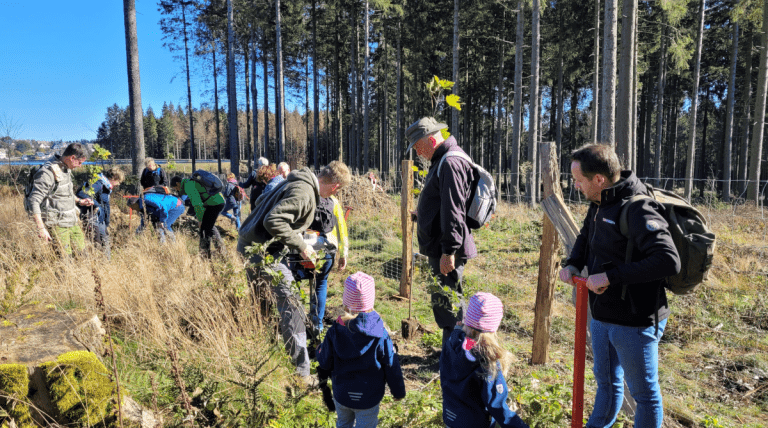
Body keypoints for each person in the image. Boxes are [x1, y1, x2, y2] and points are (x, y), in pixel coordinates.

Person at [558, 144, 680, 428]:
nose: (575, 186)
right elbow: (586, 237)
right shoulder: (599, 203)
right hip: (602, 314)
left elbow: (668, 260)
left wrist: (611, 277)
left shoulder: (638, 207)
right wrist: (572, 263)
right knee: (607, 383)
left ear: (598, 179)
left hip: (635, 320)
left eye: (578, 180)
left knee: (644, 395)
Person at [237, 161, 351, 385]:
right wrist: (302, 245)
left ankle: (263, 356)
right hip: (262, 252)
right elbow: (274, 220)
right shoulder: (305, 193)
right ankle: (301, 374)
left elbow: (262, 202)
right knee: (292, 307)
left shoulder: (296, 180)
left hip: (251, 244)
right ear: (335, 187)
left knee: (263, 302)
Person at [406, 116, 477, 345]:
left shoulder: (450, 162)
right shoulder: (443, 160)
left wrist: (449, 251)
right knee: (445, 302)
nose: (417, 153)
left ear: (430, 140)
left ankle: (456, 354)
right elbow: (443, 204)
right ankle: (452, 352)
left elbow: (454, 210)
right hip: (442, 245)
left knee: (449, 303)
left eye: (418, 147)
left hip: (446, 248)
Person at [316, 272, 406, 426]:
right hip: (368, 397)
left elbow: (324, 361)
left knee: (343, 423)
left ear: (345, 302)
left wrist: (319, 350)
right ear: (371, 302)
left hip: (342, 393)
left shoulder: (335, 331)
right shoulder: (380, 334)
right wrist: (398, 391)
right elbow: (391, 364)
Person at [440, 292, 529, 428]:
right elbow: (497, 406)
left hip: (451, 419)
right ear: (494, 327)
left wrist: (458, 331)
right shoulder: (487, 360)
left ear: (467, 318)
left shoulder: (451, 343)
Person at [293, 193, 349, 335]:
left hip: (302, 248)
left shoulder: (303, 196)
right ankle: (317, 325)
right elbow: (342, 228)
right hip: (327, 248)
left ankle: (296, 322)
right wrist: (344, 253)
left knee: (295, 282)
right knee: (321, 282)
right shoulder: (333, 201)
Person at [27, 143, 94, 255]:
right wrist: (41, 228)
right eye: (80, 162)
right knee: (65, 259)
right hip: (57, 224)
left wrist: (80, 201)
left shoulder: (65, 168)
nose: (80, 166)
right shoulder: (47, 173)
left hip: (71, 221)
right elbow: (34, 200)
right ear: (72, 158)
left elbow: (64, 193)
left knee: (83, 255)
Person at [171, 174, 225, 257]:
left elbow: (197, 204)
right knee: (208, 227)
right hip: (215, 201)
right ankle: (216, 250)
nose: (177, 190)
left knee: (205, 227)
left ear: (178, 183)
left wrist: (200, 219)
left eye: (175, 188)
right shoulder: (189, 183)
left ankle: (207, 253)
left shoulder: (188, 185)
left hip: (215, 202)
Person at [76, 168, 125, 258]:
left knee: (105, 241)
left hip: (101, 220)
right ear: (114, 177)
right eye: (119, 181)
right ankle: (96, 266)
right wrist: (96, 205)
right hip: (92, 217)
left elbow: (105, 204)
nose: (119, 184)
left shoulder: (106, 186)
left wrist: (106, 221)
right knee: (97, 243)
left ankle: (106, 266)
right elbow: (82, 193)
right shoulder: (99, 183)